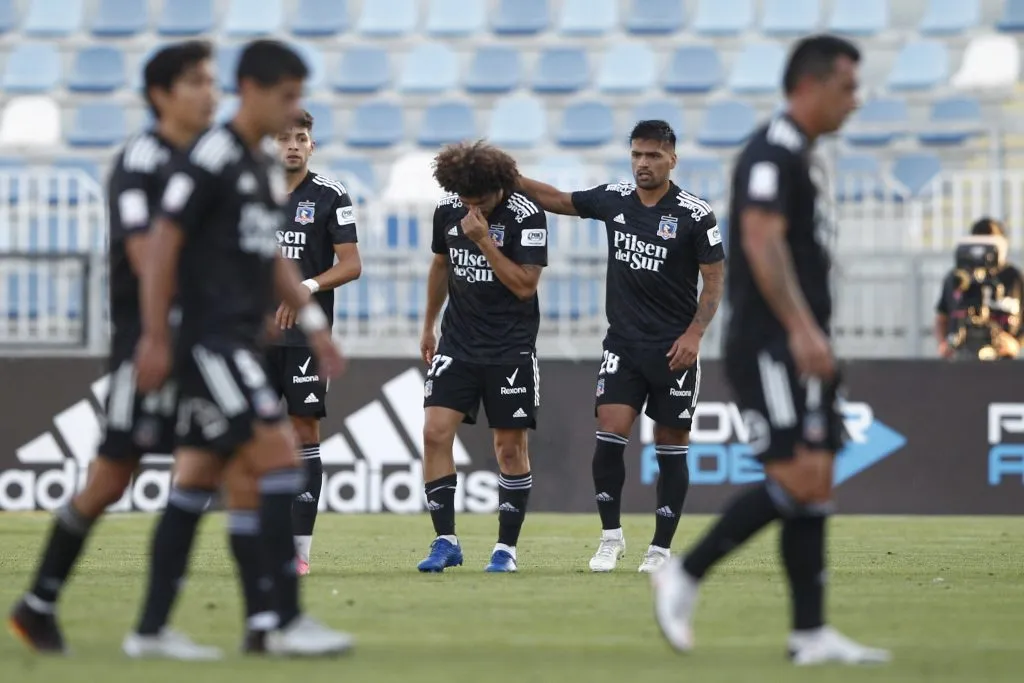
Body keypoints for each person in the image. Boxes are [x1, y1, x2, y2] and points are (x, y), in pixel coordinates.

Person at [651, 35, 891, 665]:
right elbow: (759, 239)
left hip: (800, 342)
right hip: (773, 343)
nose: (855, 102)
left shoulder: (801, 154)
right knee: (794, 476)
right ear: (810, 86)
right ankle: (686, 573)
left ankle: (809, 634)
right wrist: (803, 329)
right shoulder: (772, 151)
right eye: (848, 88)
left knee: (816, 478)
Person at [129, 39, 353, 658]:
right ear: (252, 91)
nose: (294, 111)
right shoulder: (211, 158)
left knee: (202, 475)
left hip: (234, 340)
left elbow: (274, 257)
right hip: (211, 341)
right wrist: (153, 335)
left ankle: (165, 627)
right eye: (287, 96)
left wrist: (312, 320)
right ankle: (283, 618)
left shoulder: (253, 166)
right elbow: (161, 249)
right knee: (280, 459)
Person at [7, 41, 217, 655]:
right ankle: (44, 602)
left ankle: (215, 622)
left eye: (212, 80)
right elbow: (142, 253)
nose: (211, 92)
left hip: (198, 343)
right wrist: (160, 334)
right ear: (162, 94)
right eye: (198, 81)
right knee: (111, 478)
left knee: (238, 458)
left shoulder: (205, 158)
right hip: (148, 346)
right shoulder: (142, 161)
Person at [518, 120, 725, 573]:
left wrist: (694, 335)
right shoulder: (614, 199)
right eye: (636, 155)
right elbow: (558, 201)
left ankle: (660, 549)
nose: (643, 164)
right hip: (624, 346)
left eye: (652, 155)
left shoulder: (694, 213)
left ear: (672, 157)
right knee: (609, 438)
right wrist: (510, 178)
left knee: (671, 446)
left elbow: (714, 280)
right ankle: (611, 538)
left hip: (674, 351)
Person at [417, 142, 548, 574]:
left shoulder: (528, 216)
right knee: (435, 433)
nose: (474, 209)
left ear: (500, 187)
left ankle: (505, 549)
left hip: (509, 347)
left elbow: (525, 286)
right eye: (467, 202)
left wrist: (485, 242)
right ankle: (445, 541)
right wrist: (428, 324)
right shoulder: (448, 210)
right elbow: (442, 264)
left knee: (508, 449)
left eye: (483, 201)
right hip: (458, 342)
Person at [268, 108, 362, 576]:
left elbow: (351, 264)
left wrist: (305, 288)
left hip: (305, 336)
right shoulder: (250, 194)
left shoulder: (329, 195)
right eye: (283, 138)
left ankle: (299, 551)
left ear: (312, 146)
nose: (292, 145)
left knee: (305, 432)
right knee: (256, 439)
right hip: (255, 336)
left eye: (300, 138)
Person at [935, 217, 1023, 361]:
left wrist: (1015, 344)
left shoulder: (1013, 277)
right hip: (962, 360)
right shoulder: (958, 278)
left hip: (1003, 362)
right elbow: (941, 317)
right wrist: (944, 345)